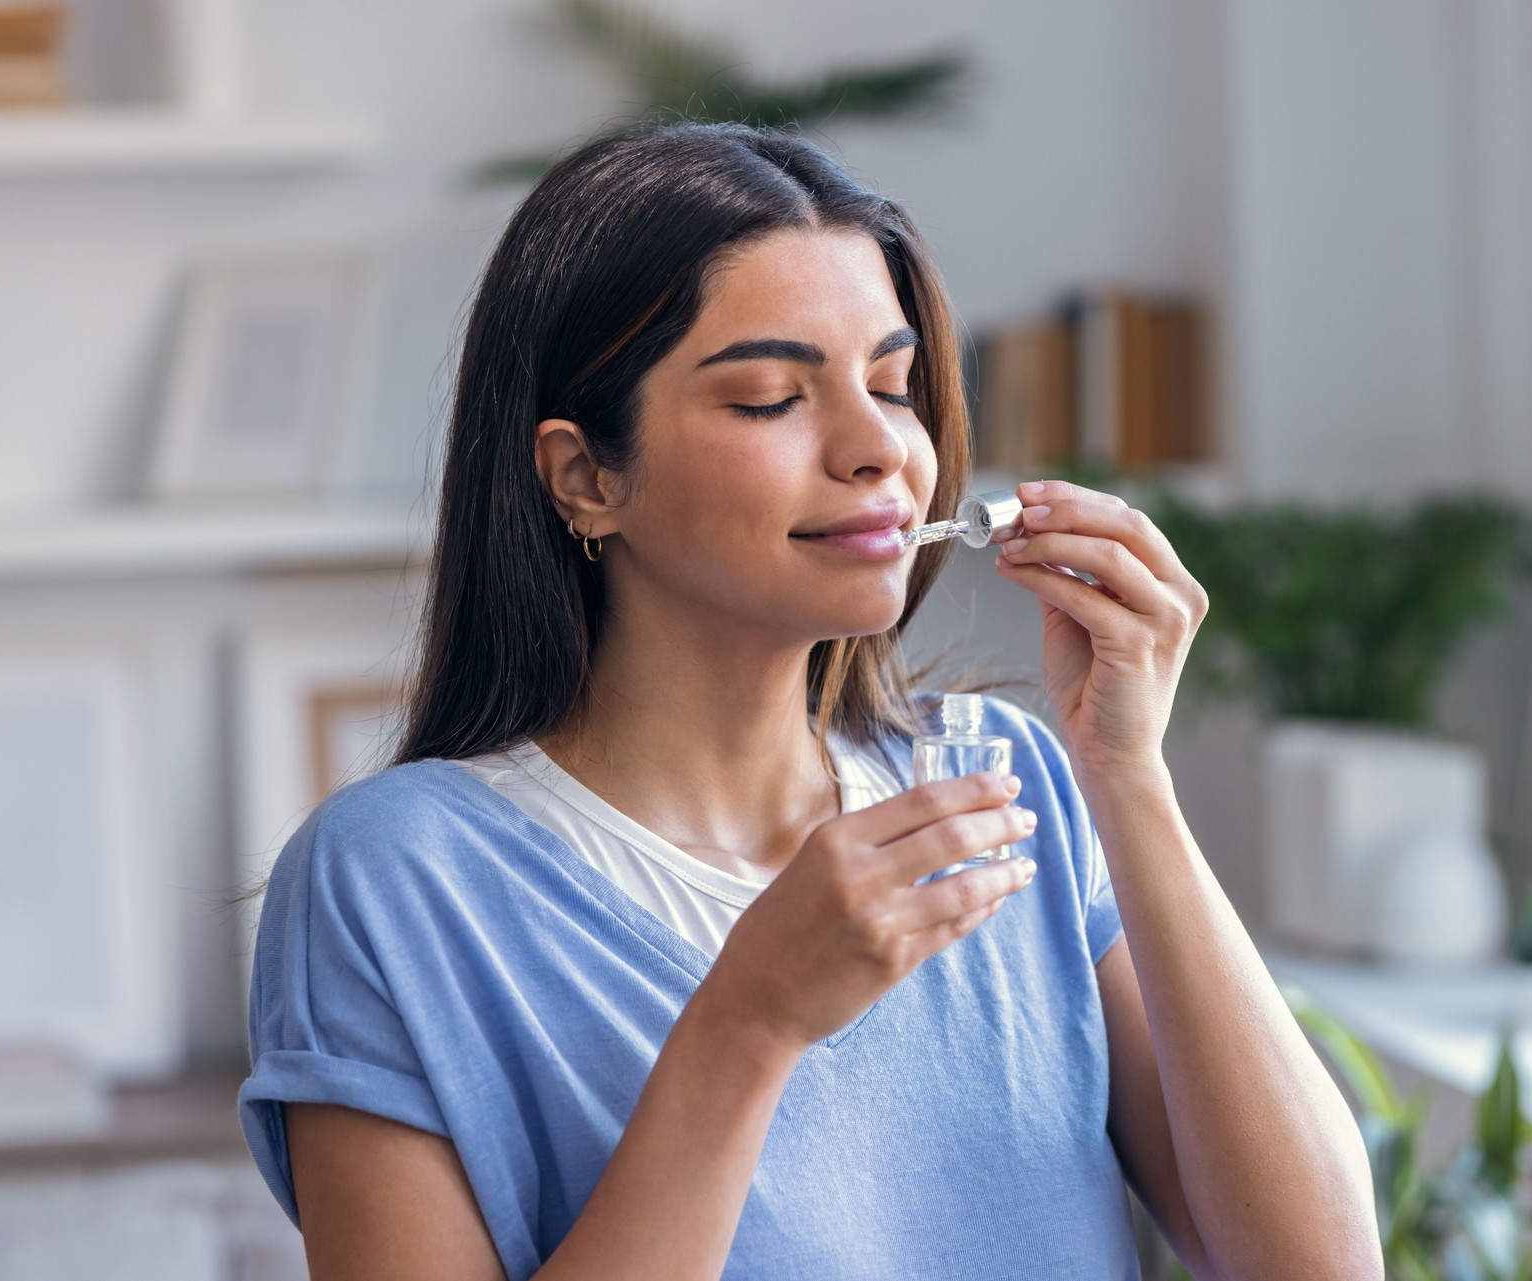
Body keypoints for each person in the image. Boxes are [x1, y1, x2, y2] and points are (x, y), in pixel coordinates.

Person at [238, 121, 1380, 1281]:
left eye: (893, 385)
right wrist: (750, 1023)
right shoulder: (395, 881)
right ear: (586, 477)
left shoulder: (1014, 785)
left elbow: (1321, 1270)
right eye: (773, 398)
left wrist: (1130, 780)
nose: (876, 446)